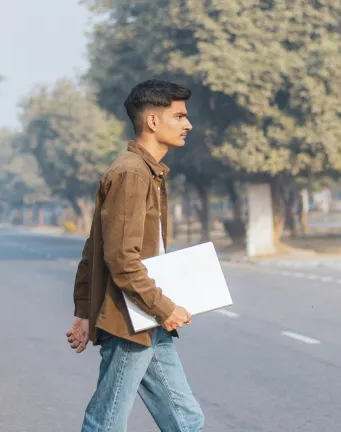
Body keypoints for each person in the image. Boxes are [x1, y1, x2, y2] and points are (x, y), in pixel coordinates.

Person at [65, 79, 205, 432]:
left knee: (186, 420)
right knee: (106, 422)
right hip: (130, 319)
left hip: (144, 318)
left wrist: (83, 311)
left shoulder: (146, 172)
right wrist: (164, 307)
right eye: (179, 116)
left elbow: (93, 248)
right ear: (153, 122)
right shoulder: (130, 174)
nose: (187, 124)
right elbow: (120, 259)